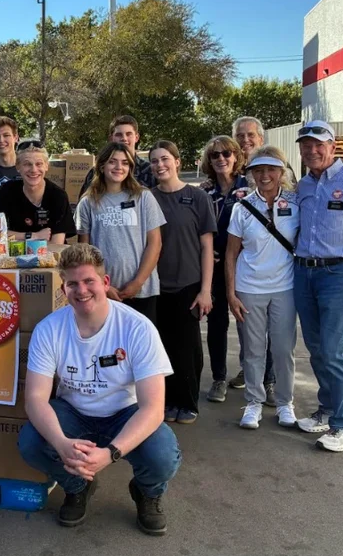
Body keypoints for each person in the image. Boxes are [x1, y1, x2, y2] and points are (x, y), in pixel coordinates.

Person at [18, 244, 180, 533]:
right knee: (31, 442)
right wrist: (60, 443)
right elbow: (35, 399)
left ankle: (147, 492)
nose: (81, 290)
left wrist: (111, 454)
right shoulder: (49, 328)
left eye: (89, 281)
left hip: (124, 413)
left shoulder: (137, 328)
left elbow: (153, 408)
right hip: (74, 413)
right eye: (72, 283)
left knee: (163, 454)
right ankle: (78, 485)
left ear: (105, 282)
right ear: (63, 287)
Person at [292, 121, 343, 451]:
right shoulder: (302, 186)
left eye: (318, 145)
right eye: (306, 145)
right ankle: (327, 411)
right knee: (316, 348)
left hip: (337, 276)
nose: (311, 151)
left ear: (332, 147)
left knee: (333, 351)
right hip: (303, 273)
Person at [225, 147, 299, 430]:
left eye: (270, 169)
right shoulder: (241, 206)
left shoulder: (295, 202)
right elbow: (231, 253)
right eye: (259, 171)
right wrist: (231, 293)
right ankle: (253, 403)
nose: (265, 175)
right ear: (252, 175)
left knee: (283, 349)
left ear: (281, 172)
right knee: (253, 350)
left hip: (286, 287)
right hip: (249, 288)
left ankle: (284, 403)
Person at [150, 140, 215, 423]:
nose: (160, 165)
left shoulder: (198, 197)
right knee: (160, 347)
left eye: (165, 159)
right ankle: (166, 401)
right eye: (154, 161)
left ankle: (188, 402)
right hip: (154, 285)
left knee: (186, 348)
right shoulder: (146, 198)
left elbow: (207, 248)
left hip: (188, 284)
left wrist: (206, 291)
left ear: (177, 162)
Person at [75, 142, 165, 323]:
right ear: (102, 165)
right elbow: (84, 251)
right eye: (112, 162)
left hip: (142, 291)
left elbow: (155, 244)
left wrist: (138, 282)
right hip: (102, 292)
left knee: (140, 348)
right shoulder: (88, 202)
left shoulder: (143, 197)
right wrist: (103, 285)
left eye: (125, 163)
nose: (119, 167)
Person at [200, 136, 249, 404]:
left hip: (246, 267)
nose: (221, 159)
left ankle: (261, 377)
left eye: (226, 153)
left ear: (236, 156)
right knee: (216, 324)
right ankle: (219, 378)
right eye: (215, 155)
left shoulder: (249, 187)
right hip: (215, 267)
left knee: (250, 323)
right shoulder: (205, 192)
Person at [0, 145, 75, 244]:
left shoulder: (58, 196)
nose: (33, 170)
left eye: (39, 164)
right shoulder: (8, 191)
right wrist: (33, 236)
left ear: (46, 166)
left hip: (49, 257)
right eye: (27, 164)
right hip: (13, 256)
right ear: (18, 167)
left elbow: (56, 245)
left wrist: (15, 237)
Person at [78, 114, 155, 197]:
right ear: (111, 139)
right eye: (119, 135)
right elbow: (84, 202)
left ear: (136, 137)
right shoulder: (97, 171)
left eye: (129, 134)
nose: (124, 138)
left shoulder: (150, 171)